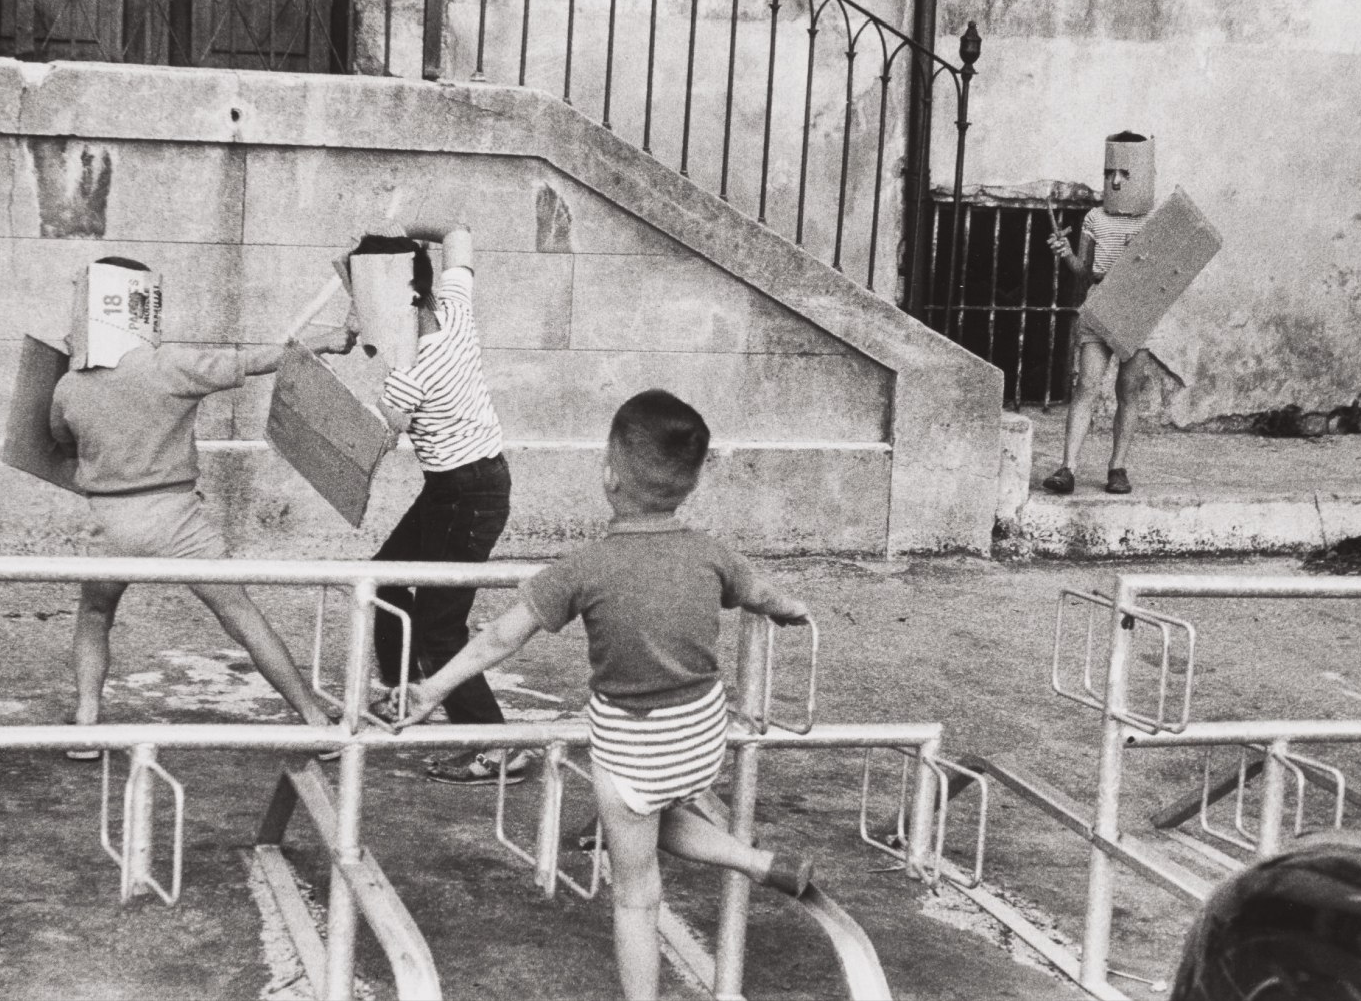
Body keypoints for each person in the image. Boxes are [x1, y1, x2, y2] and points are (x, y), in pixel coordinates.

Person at [391, 389, 815, 1001]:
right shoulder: (711, 554)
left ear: (610, 474)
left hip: (633, 746)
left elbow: (500, 638)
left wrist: (431, 689)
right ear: (693, 482)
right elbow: (764, 595)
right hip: (702, 740)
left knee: (637, 894)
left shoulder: (583, 566)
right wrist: (791, 608)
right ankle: (756, 862)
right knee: (649, 814)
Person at [49, 256, 351, 752]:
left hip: (109, 521)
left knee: (95, 616)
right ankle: (315, 720)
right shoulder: (169, 366)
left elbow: (61, 446)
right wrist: (327, 341)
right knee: (241, 615)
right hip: (177, 519)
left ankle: (86, 724)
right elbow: (254, 362)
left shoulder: (68, 386)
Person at [366, 224, 521, 785]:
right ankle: (407, 692)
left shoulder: (412, 369)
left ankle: (496, 747)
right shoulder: (454, 306)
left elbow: (382, 433)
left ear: (403, 298)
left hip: (466, 496)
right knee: (385, 577)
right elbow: (457, 232)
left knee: (440, 626)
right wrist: (406, 233)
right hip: (460, 485)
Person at [1041, 131, 1169, 496]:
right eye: (1109, 172)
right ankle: (1068, 467)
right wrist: (1066, 253)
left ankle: (1117, 468)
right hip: (1099, 306)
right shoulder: (1095, 218)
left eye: (1125, 173)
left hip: (1138, 312)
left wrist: (1141, 259)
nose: (1115, 180)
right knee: (1086, 386)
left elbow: (1164, 276)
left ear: (1142, 175)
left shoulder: (1155, 220)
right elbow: (1084, 271)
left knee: (1128, 391)